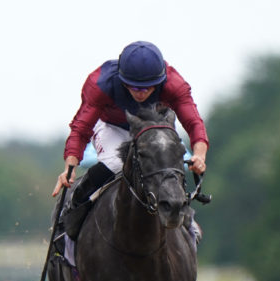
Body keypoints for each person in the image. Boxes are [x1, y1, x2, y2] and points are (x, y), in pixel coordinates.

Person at [53, 41, 209, 239]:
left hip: (154, 125)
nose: (140, 92)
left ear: (160, 80)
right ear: (121, 79)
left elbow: (194, 122)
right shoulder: (100, 83)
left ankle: (185, 216)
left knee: (165, 165)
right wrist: (70, 167)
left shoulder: (174, 83)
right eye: (133, 86)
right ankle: (73, 210)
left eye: (148, 87)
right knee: (117, 162)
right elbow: (81, 128)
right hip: (112, 127)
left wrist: (200, 156)